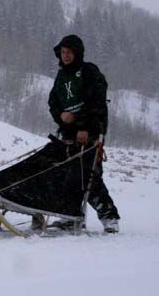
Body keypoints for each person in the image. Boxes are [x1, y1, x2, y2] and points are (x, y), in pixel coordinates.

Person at [47, 34, 120, 233]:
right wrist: (61, 116)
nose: (66, 55)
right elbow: (53, 102)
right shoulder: (61, 77)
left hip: (90, 132)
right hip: (68, 134)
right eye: (63, 52)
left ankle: (110, 217)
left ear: (77, 53)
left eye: (69, 52)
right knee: (68, 176)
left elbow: (96, 102)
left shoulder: (89, 72)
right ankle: (71, 216)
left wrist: (85, 127)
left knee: (90, 177)